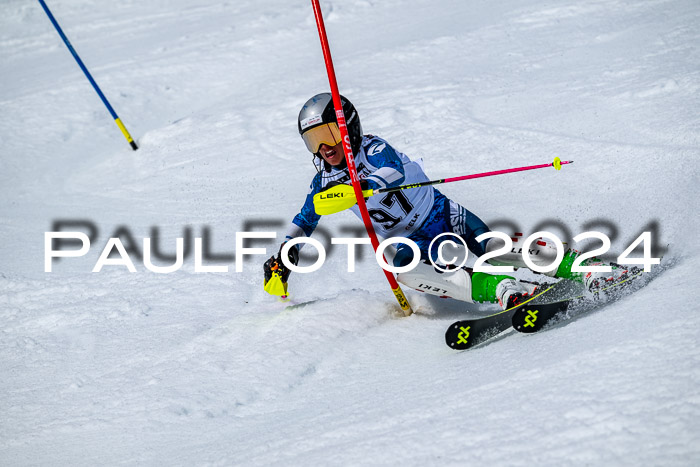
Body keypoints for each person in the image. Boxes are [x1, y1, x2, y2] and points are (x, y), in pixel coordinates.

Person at [264, 92, 631, 309]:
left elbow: (391, 171)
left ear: (349, 128)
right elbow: (306, 219)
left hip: (442, 214)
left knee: (491, 246)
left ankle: (586, 269)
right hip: (409, 243)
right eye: (314, 142)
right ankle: (503, 290)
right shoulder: (325, 180)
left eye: (329, 135)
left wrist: (365, 185)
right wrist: (284, 255)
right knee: (403, 269)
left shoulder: (373, 148)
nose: (324, 148)